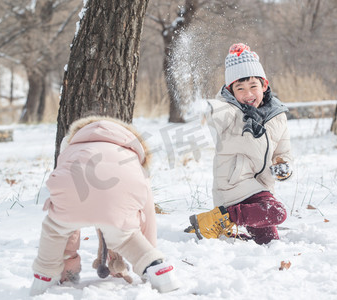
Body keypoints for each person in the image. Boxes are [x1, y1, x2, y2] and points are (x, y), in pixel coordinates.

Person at [30, 116, 179, 296]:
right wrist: (151, 248)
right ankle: (156, 268)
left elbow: (71, 223)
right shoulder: (132, 156)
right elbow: (147, 212)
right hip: (120, 193)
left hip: (72, 188)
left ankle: (45, 275)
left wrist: (69, 263)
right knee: (125, 236)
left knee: (56, 229)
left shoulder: (73, 147)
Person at [186, 43, 293, 245]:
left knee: (269, 241)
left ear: (264, 85)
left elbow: (283, 150)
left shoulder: (277, 116)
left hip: (260, 190)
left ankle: (225, 225)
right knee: (277, 212)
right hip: (232, 188)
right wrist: (205, 106)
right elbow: (217, 111)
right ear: (231, 91)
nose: (247, 94)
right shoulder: (231, 112)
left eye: (253, 86)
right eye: (240, 88)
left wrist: (283, 165)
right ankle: (222, 218)